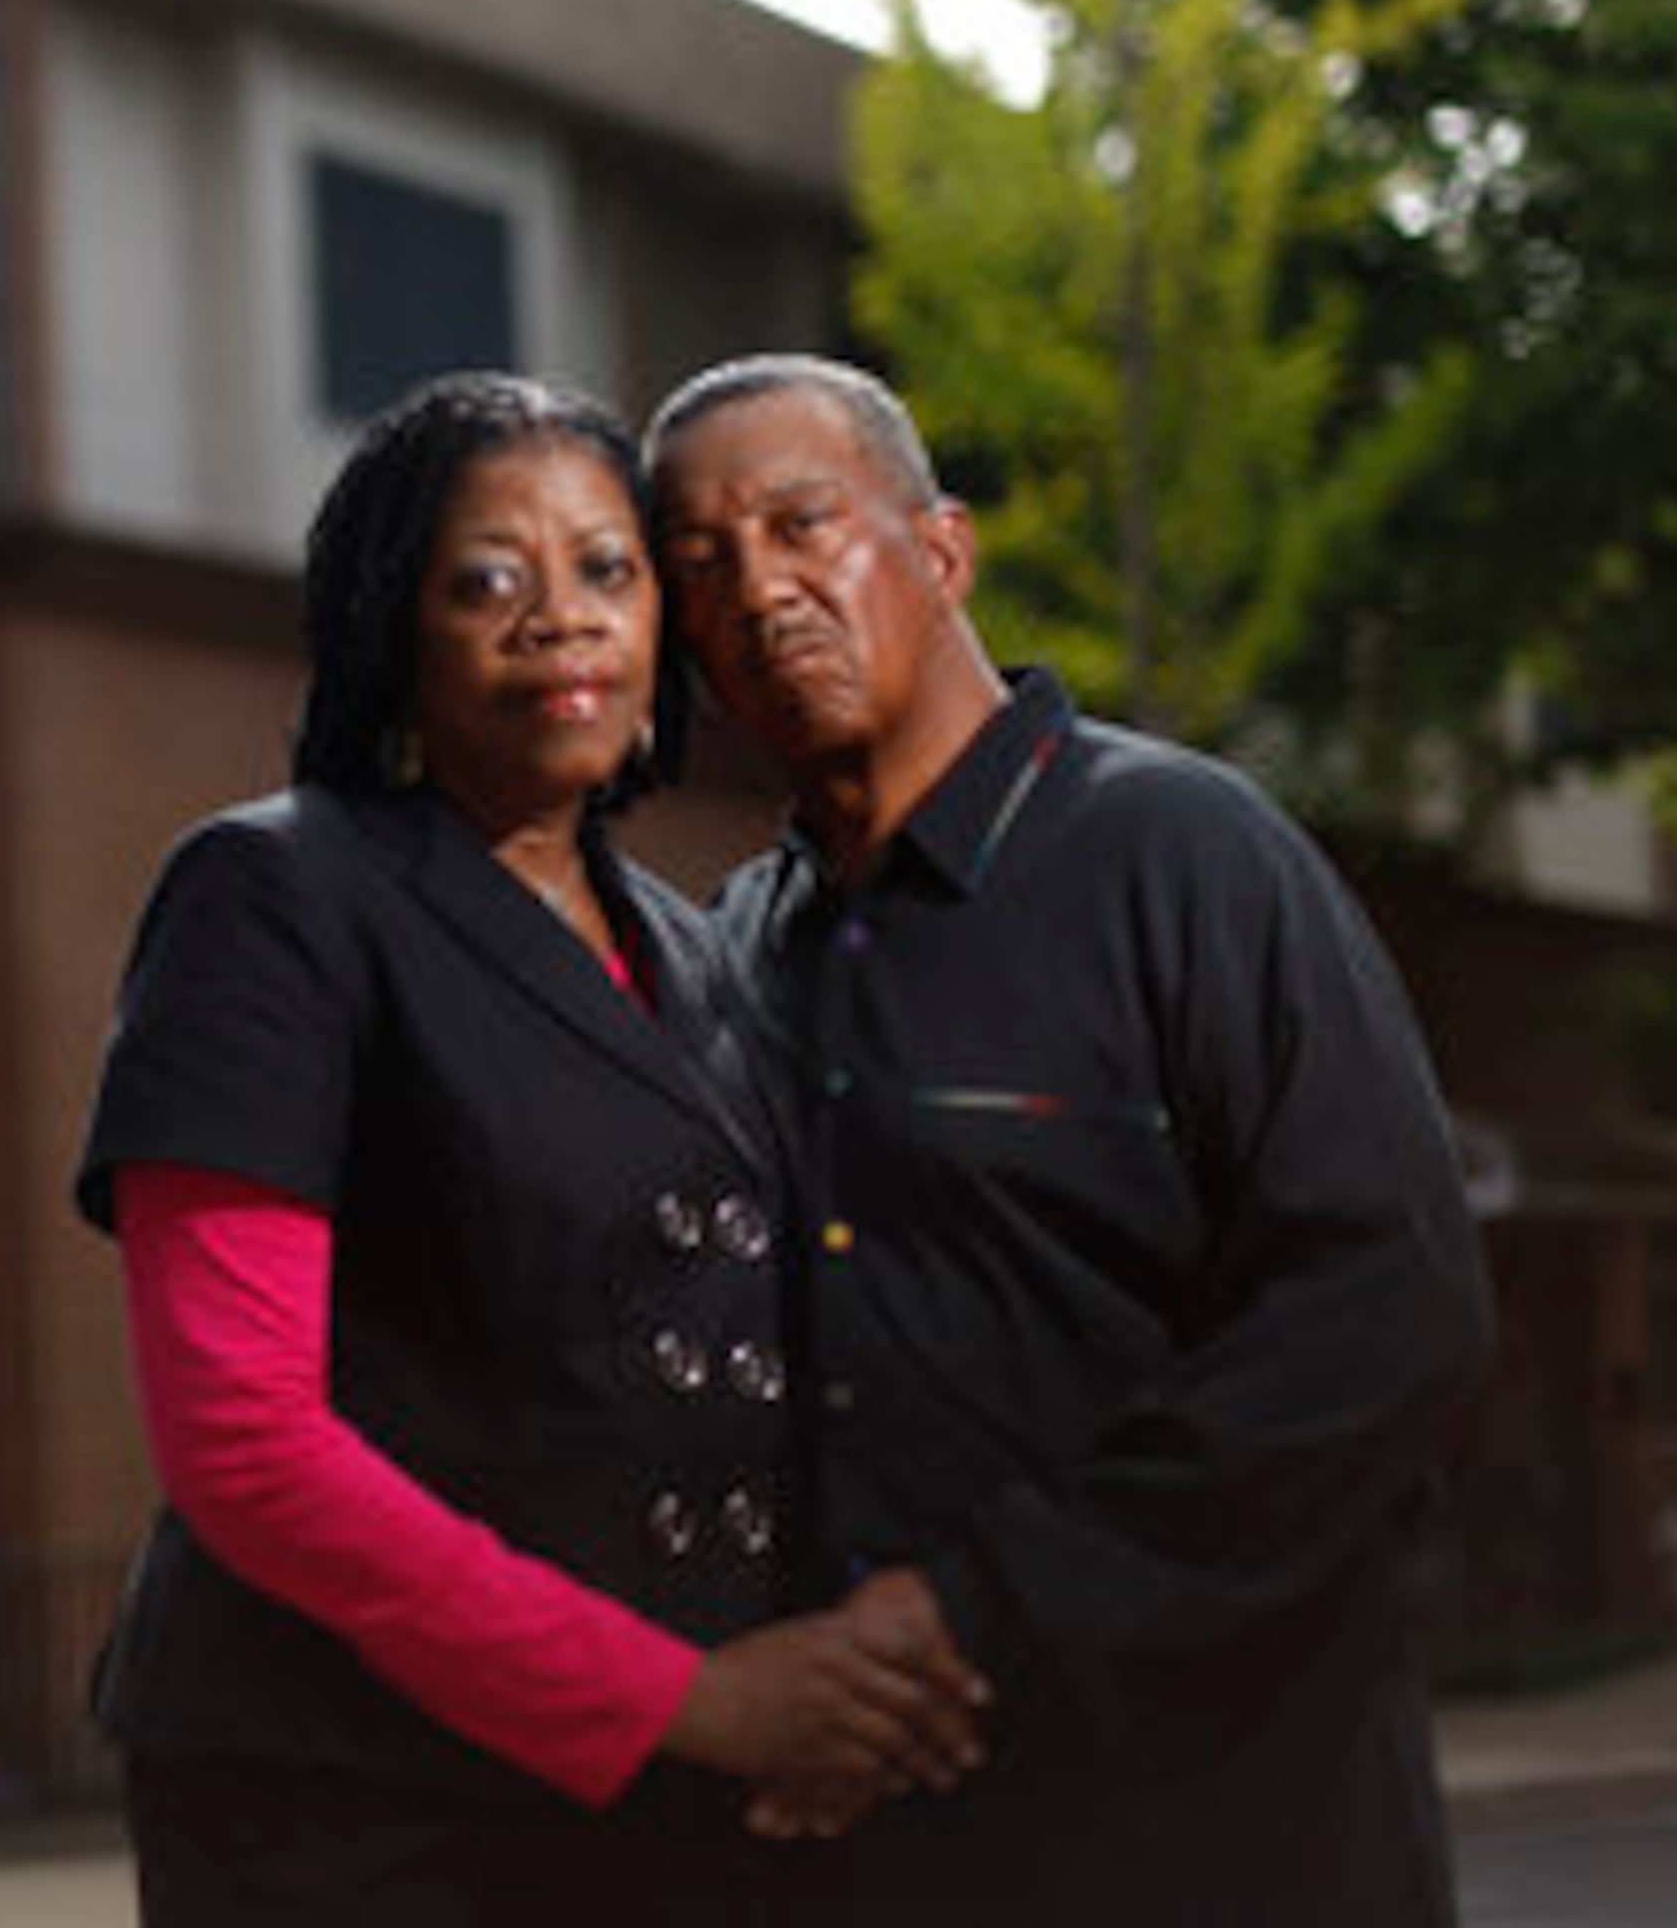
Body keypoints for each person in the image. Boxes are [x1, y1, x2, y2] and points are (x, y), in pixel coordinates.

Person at [74, 370, 988, 1923]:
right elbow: (245, 1443)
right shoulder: (275, 894)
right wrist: (680, 1699)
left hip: (669, 1805)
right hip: (357, 1799)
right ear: (392, 629)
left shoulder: (698, 949)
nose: (559, 616)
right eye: (487, 580)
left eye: (607, 571)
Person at [641, 352, 1495, 1921]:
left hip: (1226, 1827)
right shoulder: (723, 958)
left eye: (802, 524)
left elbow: (1387, 1314)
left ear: (943, 549)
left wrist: (974, 1614)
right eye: (701, 564)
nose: (761, 590)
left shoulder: (1189, 856)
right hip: (879, 1851)